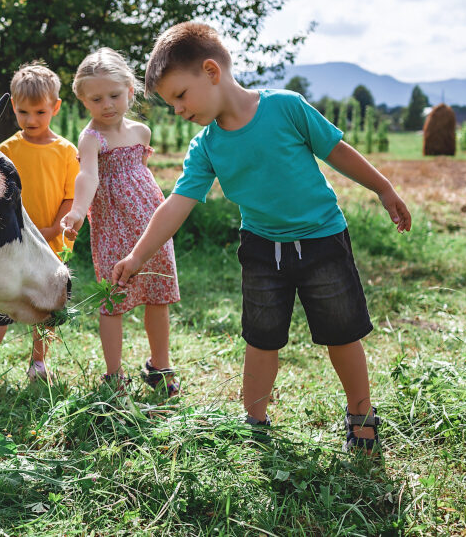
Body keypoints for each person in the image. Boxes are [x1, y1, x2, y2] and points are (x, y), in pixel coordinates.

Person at [112, 22, 412, 453]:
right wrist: (139, 255)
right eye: (169, 103)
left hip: (323, 241)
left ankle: (361, 417)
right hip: (261, 250)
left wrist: (383, 188)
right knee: (261, 338)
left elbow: (336, 150)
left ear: (212, 72)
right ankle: (254, 421)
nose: (176, 110)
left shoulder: (286, 108)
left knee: (342, 334)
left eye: (180, 95)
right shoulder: (206, 146)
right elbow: (176, 203)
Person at [60, 48, 181, 396]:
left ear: (130, 89)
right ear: (84, 101)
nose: (107, 104)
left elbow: (141, 175)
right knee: (113, 299)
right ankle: (114, 376)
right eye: (96, 99)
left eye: (114, 95)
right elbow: (88, 177)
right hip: (114, 226)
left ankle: (161, 366)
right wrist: (79, 210)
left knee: (158, 296)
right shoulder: (91, 138)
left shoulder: (141, 132)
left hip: (150, 223)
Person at [0, 61, 80, 384]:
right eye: (23, 113)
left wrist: (53, 229)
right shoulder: (7, 150)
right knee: (1, 305)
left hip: (52, 244)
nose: (31, 120)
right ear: (13, 107)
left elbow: (70, 196)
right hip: (13, 245)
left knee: (47, 307)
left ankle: (38, 362)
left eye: (39, 112)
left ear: (55, 107)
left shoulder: (66, 152)